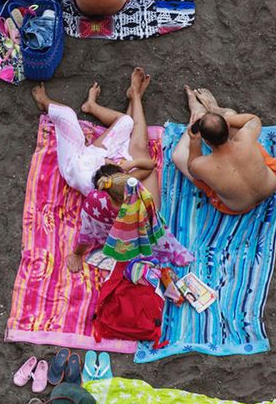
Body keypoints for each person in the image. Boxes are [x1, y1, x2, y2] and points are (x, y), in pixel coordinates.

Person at [58, 68, 189, 273]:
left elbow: (86, 233)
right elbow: (149, 167)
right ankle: (134, 96)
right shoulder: (135, 198)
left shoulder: (107, 198)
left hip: (126, 230)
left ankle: (133, 96)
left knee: (138, 147)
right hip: (134, 231)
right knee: (139, 149)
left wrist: (77, 253)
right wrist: (130, 164)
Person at [172, 86, 276, 216]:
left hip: (239, 207)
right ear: (227, 128)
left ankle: (197, 113)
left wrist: (194, 140)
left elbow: (192, 169)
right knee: (231, 114)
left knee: (178, 156)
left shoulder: (201, 166)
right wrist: (221, 116)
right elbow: (254, 119)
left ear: (205, 141)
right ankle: (211, 111)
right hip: (271, 185)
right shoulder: (245, 138)